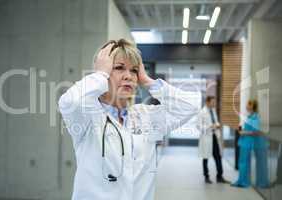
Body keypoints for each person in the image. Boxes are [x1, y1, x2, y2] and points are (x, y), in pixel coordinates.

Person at [58, 39, 198, 200]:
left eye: (134, 71)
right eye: (119, 68)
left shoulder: (146, 116)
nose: (129, 76)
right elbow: (69, 101)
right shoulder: (87, 116)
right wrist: (100, 75)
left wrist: (147, 80)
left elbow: (190, 105)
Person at [197, 96, 229, 184]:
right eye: (212, 102)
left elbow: (215, 121)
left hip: (214, 136)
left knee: (218, 156)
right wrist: (210, 127)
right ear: (207, 102)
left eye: (214, 102)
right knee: (205, 157)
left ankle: (220, 176)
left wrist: (217, 125)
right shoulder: (202, 112)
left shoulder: (213, 111)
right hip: (206, 137)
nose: (214, 103)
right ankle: (206, 176)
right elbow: (198, 126)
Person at [232, 99, 261, 188]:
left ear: (253, 106)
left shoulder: (255, 117)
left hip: (248, 142)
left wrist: (244, 132)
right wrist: (243, 131)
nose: (247, 106)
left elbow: (256, 132)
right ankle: (240, 180)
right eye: (247, 104)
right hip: (244, 141)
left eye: (249, 104)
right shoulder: (249, 116)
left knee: (244, 162)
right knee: (242, 162)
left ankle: (244, 182)